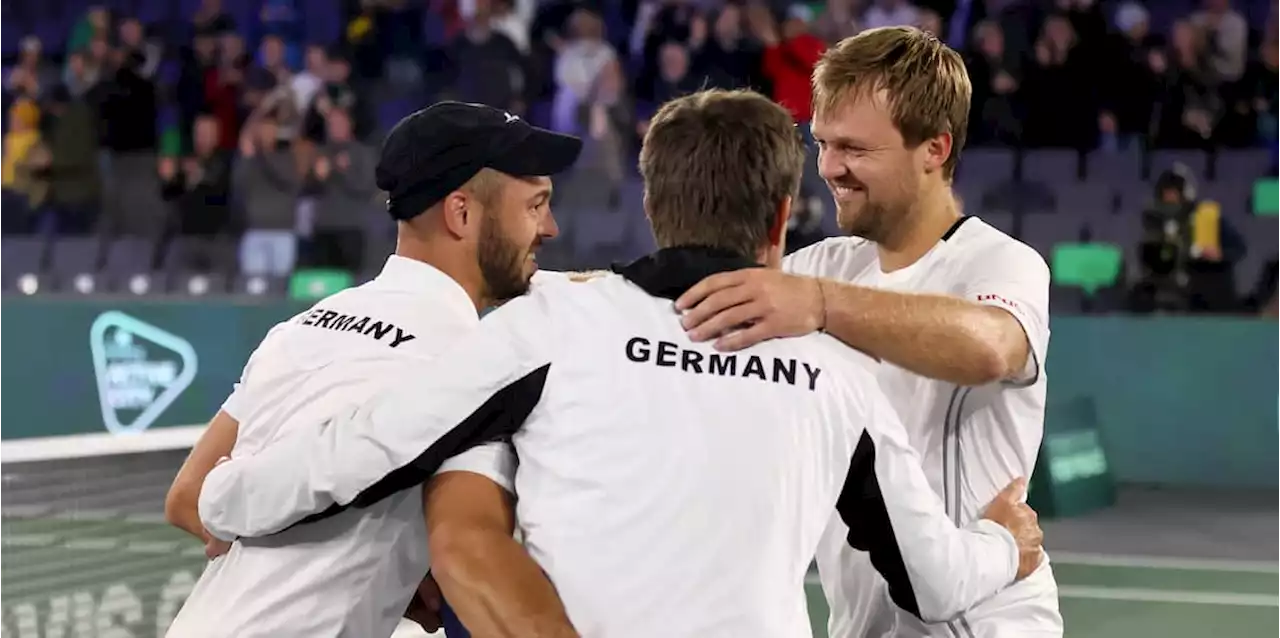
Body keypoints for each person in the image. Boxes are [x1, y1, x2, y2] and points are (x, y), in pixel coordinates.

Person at [198, 89, 1045, 638]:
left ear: (651, 203)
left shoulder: (553, 325)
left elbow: (359, 452)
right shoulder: (838, 375)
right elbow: (934, 583)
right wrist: (1005, 546)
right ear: (784, 214)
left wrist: (228, 494)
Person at [674, 28, 1063, 638]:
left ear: (934, 148)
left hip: (982, 623)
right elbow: (695, 303)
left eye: (855, 149)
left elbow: (991, 347)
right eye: (822, 143)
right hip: (861, 625)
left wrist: (820, 305)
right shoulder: (820, 267)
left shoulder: (997, 262)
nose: (829, 168)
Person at [162, 101, 583, 638]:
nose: (549, 227)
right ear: (461, 214)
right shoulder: (475, 361)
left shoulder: (302, 326)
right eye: (535, 205)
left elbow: (186, 496)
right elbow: (470, 551)